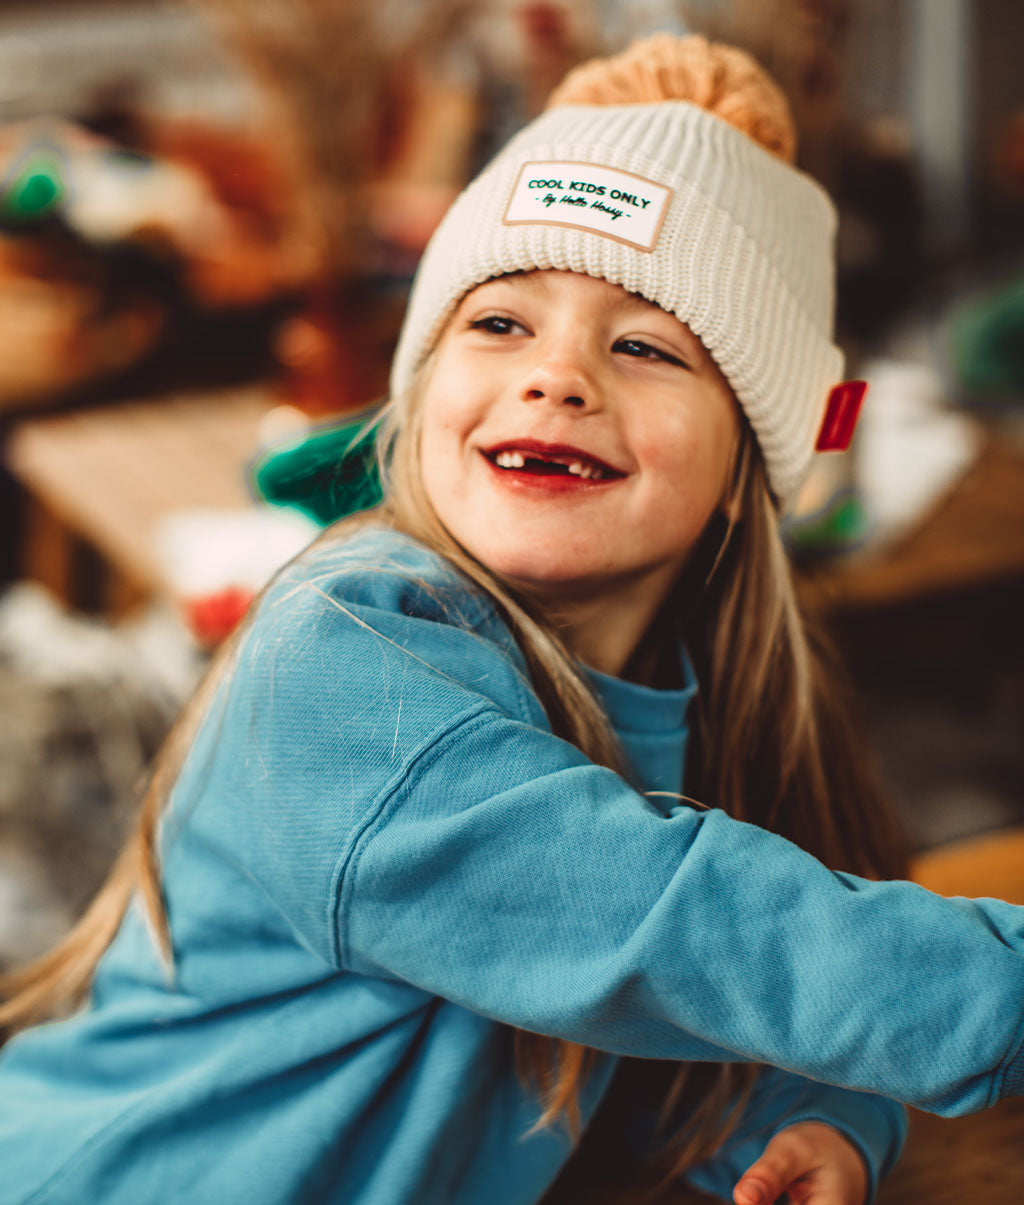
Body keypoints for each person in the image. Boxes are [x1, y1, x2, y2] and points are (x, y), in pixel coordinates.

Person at [0, 33, 1022, 1205]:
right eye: (498, 324)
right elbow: (668, 923)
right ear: (419, 387)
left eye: (646, 345)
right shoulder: (344, 659)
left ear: (752, 461)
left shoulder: (693, 697)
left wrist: (820, 1116)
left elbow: (708, 982)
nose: (558, 373)